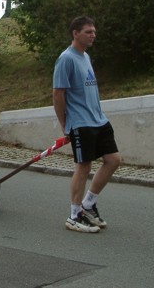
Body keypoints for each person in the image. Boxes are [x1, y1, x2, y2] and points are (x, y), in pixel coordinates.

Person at [53, 16, 122, 233]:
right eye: (88, 31)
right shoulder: (66, 59)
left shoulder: (85, 56)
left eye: (94, 31)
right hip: (81, 123)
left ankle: (88, 204)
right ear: (75, 33)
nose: (93, 35)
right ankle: (74, 215)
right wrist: (65, 124)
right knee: (83, 166)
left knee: (113, 160)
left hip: (98, 119)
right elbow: (58, 94)